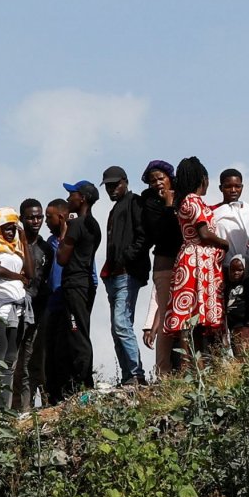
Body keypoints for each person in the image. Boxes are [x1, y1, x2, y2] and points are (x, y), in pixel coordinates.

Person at [162, 157, 229, 360]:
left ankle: (196, 365)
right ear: (202, 179)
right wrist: (225, 244)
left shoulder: (185, 201)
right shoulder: (193, 201)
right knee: (190, 316)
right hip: (196, 261)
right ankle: (187, 366)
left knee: (194, 316)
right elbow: (205, 234)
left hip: (193, 259)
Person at [98, 165, 150, 386]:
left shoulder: (134, 203)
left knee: (121, 324)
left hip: (127, 273)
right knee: (117, 326)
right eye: (108, 186)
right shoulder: (117, 207)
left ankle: (136, 373)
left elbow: (143, 236)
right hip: (115, 274)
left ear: (125, 182)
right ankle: (129, 376)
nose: (111, 190)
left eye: (114, 185)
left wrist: (126, 258)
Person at [51, 181, 102, 399]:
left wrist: (63, 232)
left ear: (82, 198)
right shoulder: (94, 225)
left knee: (77, 334)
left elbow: (62, 258)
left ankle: (84, 385)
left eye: (72, 195)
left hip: (74, 285)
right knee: (79, 331)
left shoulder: (77, 225)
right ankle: (78, 383)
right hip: (86, 284)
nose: (68, 199)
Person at [0, 210, 31, 412]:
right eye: (6, 228)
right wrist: (18, 277)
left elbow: (30, 272)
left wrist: (25, 242)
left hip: (16, 308)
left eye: (13, 228)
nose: (11, 232)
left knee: (10, 359)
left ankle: (6, 409)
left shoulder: (15, 248)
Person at [140, 161, 182, 378]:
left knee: (184, 317)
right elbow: (161, 233)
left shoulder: (182, 195)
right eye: (153, 180)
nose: (157, 183)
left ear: (169, 177)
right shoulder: (149, 203)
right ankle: (163, 372)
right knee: (167, 318)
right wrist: (168, 205)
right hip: (165, 264)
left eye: (160, 178)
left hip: (184, 262)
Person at [10, 199, 50, 413]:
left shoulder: (46, 248)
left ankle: (39, 405)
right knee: (15, 362)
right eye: (30, 217)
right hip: (16, 310)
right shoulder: (12, 246)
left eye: (39, 217)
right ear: (21, 219)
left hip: (39, 310)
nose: (36, 221)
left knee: (35, 360)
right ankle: (17, 409)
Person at [213, 168, 249, 352]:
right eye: (228, 186)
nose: (233, 190)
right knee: (231, 316)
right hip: (226, 273)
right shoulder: (215, 214)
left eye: (237, 186)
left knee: (248, 316)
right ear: (220, 187)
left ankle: (248, 360)